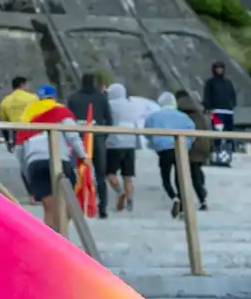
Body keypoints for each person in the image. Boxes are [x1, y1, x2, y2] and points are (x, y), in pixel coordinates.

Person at [14, 85, 89, 233]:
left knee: (49, 208)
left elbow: (19, 148)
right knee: (67, 205)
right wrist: (84, 156)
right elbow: (72, 136)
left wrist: (26, 173)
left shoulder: (27, 115)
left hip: (34, 163)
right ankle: (60, 239)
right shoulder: (61, 112)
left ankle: (49, 243)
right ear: (54, 97)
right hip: (58, 160)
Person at [66, 72, 114, 218]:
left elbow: (68, 117)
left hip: (79, 138)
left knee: (77, 171)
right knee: (100, 174)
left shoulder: (73, 98)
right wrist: (103, 136)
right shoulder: (101, 98)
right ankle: (102, 206)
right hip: (97, 137)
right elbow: (109, 120)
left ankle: (77, 204)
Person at [145, 92, 198, 218]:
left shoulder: (154, 116)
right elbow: (192, 132)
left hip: (163, 149)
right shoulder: (183, 116)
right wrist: (188, 144)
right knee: (180, 178)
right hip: (181, 148)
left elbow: (146, 132)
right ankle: (182, 207)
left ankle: (174, 197)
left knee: (165, 177)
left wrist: (155, 142)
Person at [106, 83, 145, 212]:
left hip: (113, 143)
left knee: (110, 173)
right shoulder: (132, 105)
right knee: (128, 176)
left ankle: (119, 191)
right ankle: (129, 201)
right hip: (130, 143)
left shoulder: (110, 105)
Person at [176, 90, 211, 211]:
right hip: (203, 144)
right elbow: (208, 128)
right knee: (197, 170)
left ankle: (186, 200)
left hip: (189, 145)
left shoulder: (179, 111)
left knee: (183, 174)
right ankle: (202, 196)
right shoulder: (200, 111)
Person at [203, 60, 237, 166]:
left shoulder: (228, 82)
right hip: (216, 111)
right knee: (218, 134)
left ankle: (226, 159)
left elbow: (233, 94)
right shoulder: (210, 82)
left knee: (228, 135)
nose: (219, 70)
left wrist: (232, 105)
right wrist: (207, 107)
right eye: (217, 68)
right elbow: (207, 95)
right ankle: (217, 158)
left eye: (221, 68)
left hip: (228, 112)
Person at [0, 76, 37, 149]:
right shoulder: (34, 98)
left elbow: (4, 123)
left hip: (16, 134)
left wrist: (7, 141)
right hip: (32, 131)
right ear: (22, 84)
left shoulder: (5, 100)